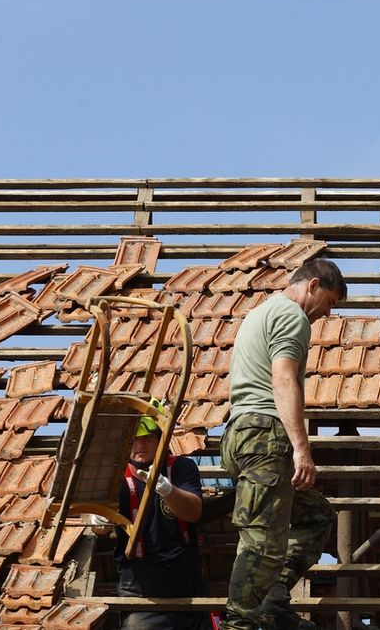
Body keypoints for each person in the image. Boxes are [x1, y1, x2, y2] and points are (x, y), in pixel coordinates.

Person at [220, 258, 346, 630]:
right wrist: (302, 449)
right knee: (263, 542)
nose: (327, 314)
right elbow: (284, 381)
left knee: (316, 515)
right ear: (313, 285)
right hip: (264, 435)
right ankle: (237, 623)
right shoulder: (293, 316)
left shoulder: (260, 313)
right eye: (330, 302)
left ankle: (273, 596)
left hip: (240, 436)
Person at [90, 412, 211, 630]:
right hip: (139, 580)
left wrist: (167, 490)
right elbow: (97, 527)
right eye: (133, 440)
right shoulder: (114, 476)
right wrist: (97, 519)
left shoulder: (180, 468)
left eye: (146, 438)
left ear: (160, 440)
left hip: (183, 574)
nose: (139, 445)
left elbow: (193, 512)